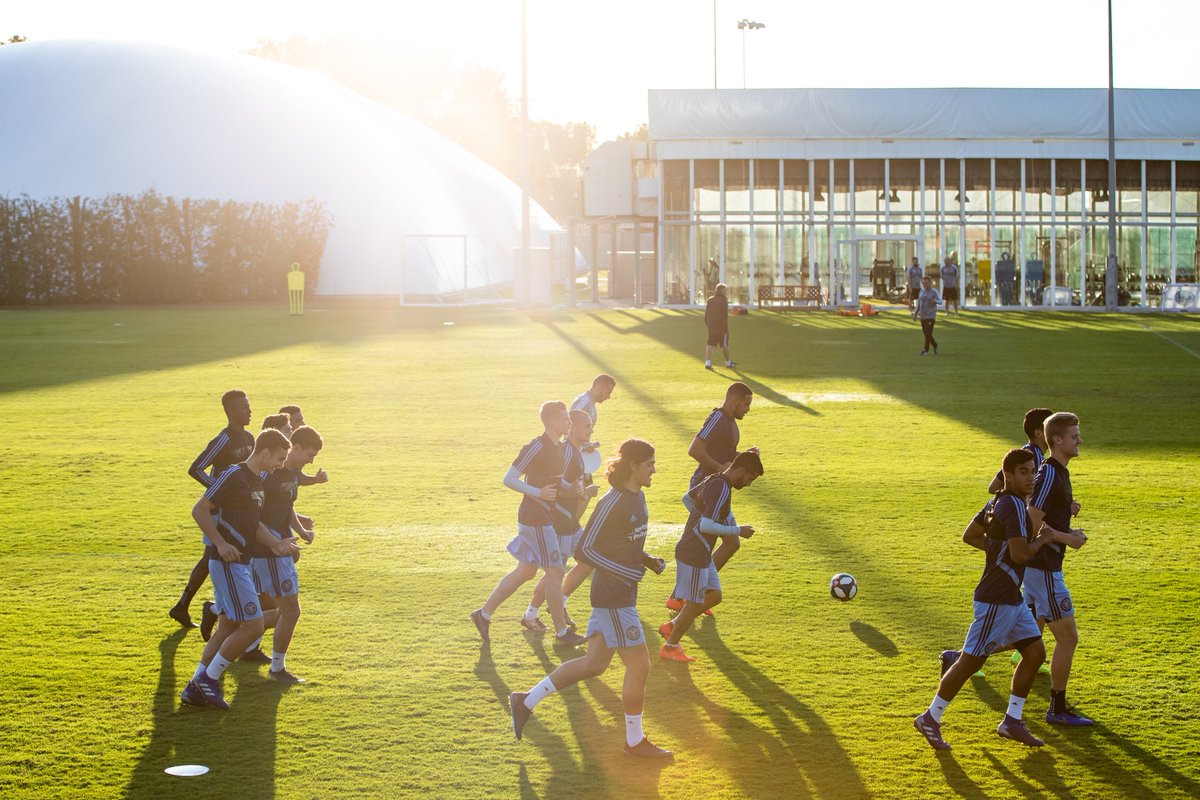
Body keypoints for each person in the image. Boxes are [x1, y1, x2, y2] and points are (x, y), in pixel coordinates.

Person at [509, 439, 673, 758]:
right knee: (640, 666)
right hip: (613, 598)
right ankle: (635, 741)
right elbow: (585, 550)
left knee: (593, 664)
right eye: (650, 463)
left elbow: (624, 543)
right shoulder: (612, 502)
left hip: (621, 592)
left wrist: (645, 560)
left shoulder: (638, 498)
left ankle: (525, 700)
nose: (655, 469)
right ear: (634, 466)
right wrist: (626, 571)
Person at [914, 449, 1053, 750]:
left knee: (1035, 653)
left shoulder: (996, 501)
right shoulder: (1013, 506)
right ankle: (930, 718)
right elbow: (1021, 554)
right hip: (996, 600)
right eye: (1023, 472)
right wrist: (1043, 538)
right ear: (1008, 475)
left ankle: (1012, 721)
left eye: (1033, 471)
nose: (1030, 477)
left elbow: (970, 535)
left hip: (1010, 599)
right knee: (969, 664)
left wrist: (996, 552)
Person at [180, 429, 297, 709]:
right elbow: (200, 509)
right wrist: (220, 543)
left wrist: (277, 544)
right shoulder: (234, 475)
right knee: (253, 625)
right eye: (279, 458)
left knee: (229, 625)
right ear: (265, 452)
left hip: (241, 561)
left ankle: (195, 685)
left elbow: (253, 525)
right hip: (227, 563)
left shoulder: (257, 481)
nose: (281, 464)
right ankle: (208, 680)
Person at [471, 402, 587, 647]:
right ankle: (562, 632)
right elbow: (509, 479)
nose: (570, 423)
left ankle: (483, 615)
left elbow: (552, 482)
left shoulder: (560, 449)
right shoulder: (536, 447)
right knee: (556, 571)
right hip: (535, 519)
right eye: (566, 419)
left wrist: (571, 488)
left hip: (543, 518)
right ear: (553, 423)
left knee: (526, 571)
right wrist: (538, 492)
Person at [660, 450, 763, 663]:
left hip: (701, 551)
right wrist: (738, 530)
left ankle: (671, 626)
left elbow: (687, 499)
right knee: (695, 603)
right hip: (694, 553)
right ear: (742, 470)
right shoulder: (722, 489)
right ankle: (670, 646)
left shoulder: (713, 479)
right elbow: (707, 524)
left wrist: (697, 522)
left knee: (714, 596)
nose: (749, 483)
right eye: (750, 478)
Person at [1025, 412, 1093, 726]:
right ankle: (1057, 709)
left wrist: (1067, 508)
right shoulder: (1051, 472)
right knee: (1068, 639)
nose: (1080, 440)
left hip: (1042, 569)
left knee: (1023, 634)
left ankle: (958, 659)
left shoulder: (1059, 472)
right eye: (1074, 436)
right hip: (1045, 569)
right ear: (1057, 440)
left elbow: (1046, 511)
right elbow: (1033, 521)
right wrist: (1069, 538)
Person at [170, 390, 256, 629]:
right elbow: (196, 468)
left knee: (220, 556)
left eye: (249, 406)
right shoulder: (224, 440)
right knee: (212, 556)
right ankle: (193, 607)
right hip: (218, 509)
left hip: (238, 510)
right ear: (230, 411)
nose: (249, 410)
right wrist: (219, 491)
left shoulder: (250, 438)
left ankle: (198, 607)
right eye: (243, 407)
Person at [666, 382, 754, 614]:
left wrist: (745, 458)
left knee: (717, 542)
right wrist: (718, 470)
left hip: (717, 488)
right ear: (733, 401)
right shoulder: (718, 419)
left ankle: (689, 595)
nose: (747, 409)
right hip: (706, 489)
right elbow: (695, 449)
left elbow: (724, 456)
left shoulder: (731, 423)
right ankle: (685, 597)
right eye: (746, 404)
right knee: (724, 541)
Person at [252, 424, 322, 684]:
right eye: (309, 454)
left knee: (278, 609)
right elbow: (254, 514)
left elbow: (287, 506)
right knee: (290, 611)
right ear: (297, 447)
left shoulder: (293, 474)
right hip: (270, 550)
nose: (311, 460)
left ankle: (238, 636)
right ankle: (277, 669)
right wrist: (274, 542)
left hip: (280, 546)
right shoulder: (271, 474)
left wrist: (301, 531)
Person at [522, 409, 600, 632]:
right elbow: (558, 489)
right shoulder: (565, 453)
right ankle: (532, 613)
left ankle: (559, 602)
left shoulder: (574, 450)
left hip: (570, 522)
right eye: (586, 425)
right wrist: (581, 491)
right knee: (555, 571)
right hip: (560, 521)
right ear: (571, 427)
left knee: (588, 558)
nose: (591, 428)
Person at [987, 408, 1053, 494]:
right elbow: (993, 488)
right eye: (1052, 430)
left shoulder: (1025, 452)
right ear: (1038, 434)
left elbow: (993, 487)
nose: (1058, 433)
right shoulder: (1031, 458)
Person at [704, 283, 735, 370]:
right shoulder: (723, 301)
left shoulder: (710, 300)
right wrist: (725, 330)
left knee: (710, 344)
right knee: (724, 345)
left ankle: (708, 363)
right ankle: (728, 363)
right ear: (720, 291)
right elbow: (724, 316)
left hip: (712, 327)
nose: (726, 292)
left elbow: (706, 315)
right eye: (725, 290)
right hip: (721, 327)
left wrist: (709, 325)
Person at [915, 277, 942, 355]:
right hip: (923, 316)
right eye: (923, 283)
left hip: (931, 316)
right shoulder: (921, 292)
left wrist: (935, 300)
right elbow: (919, 304)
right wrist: (915, 313)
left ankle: (925, 350)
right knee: (927, 334)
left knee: (928, 333)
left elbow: (940, 301)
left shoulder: (934, 292)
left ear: (930, 283)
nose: (925, 285)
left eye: (926, 283)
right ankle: (935, 345)